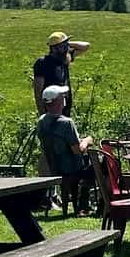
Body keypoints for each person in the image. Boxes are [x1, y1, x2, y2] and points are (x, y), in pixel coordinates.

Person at [36, 85, 95, 214]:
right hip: (71, 167)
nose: (64, 98)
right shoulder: (67, 123)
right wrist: (87, 140)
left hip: (54, 167)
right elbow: (77, 151)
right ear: (57, 101)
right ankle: (86, 204)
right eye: (62, 96)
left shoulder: (41, 121)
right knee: (99, 168)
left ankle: (81, 204)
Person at [32, 31, 91, 117]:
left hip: (64, 107)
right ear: (54, 49)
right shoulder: (43, 63)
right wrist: (42, 115)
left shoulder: (65, 58)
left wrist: (67, 43)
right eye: (62, 46)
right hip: (51, 109)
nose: (66, 48)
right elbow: (38, 92)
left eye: (66, 45)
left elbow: (86, 46)